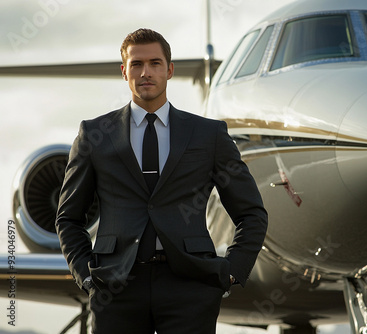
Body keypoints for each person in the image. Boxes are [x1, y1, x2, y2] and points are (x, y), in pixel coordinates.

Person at [56, 28, 268, 334]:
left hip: (190, 287)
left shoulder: (209, 135)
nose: (146, 73)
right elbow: (68, 217)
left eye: (155, 63)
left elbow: (252, 213)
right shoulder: (94, 135)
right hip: (116, 288)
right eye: (137, 64)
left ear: (169, 70)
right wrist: (86, 276)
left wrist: (231, 272)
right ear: (124, 71)